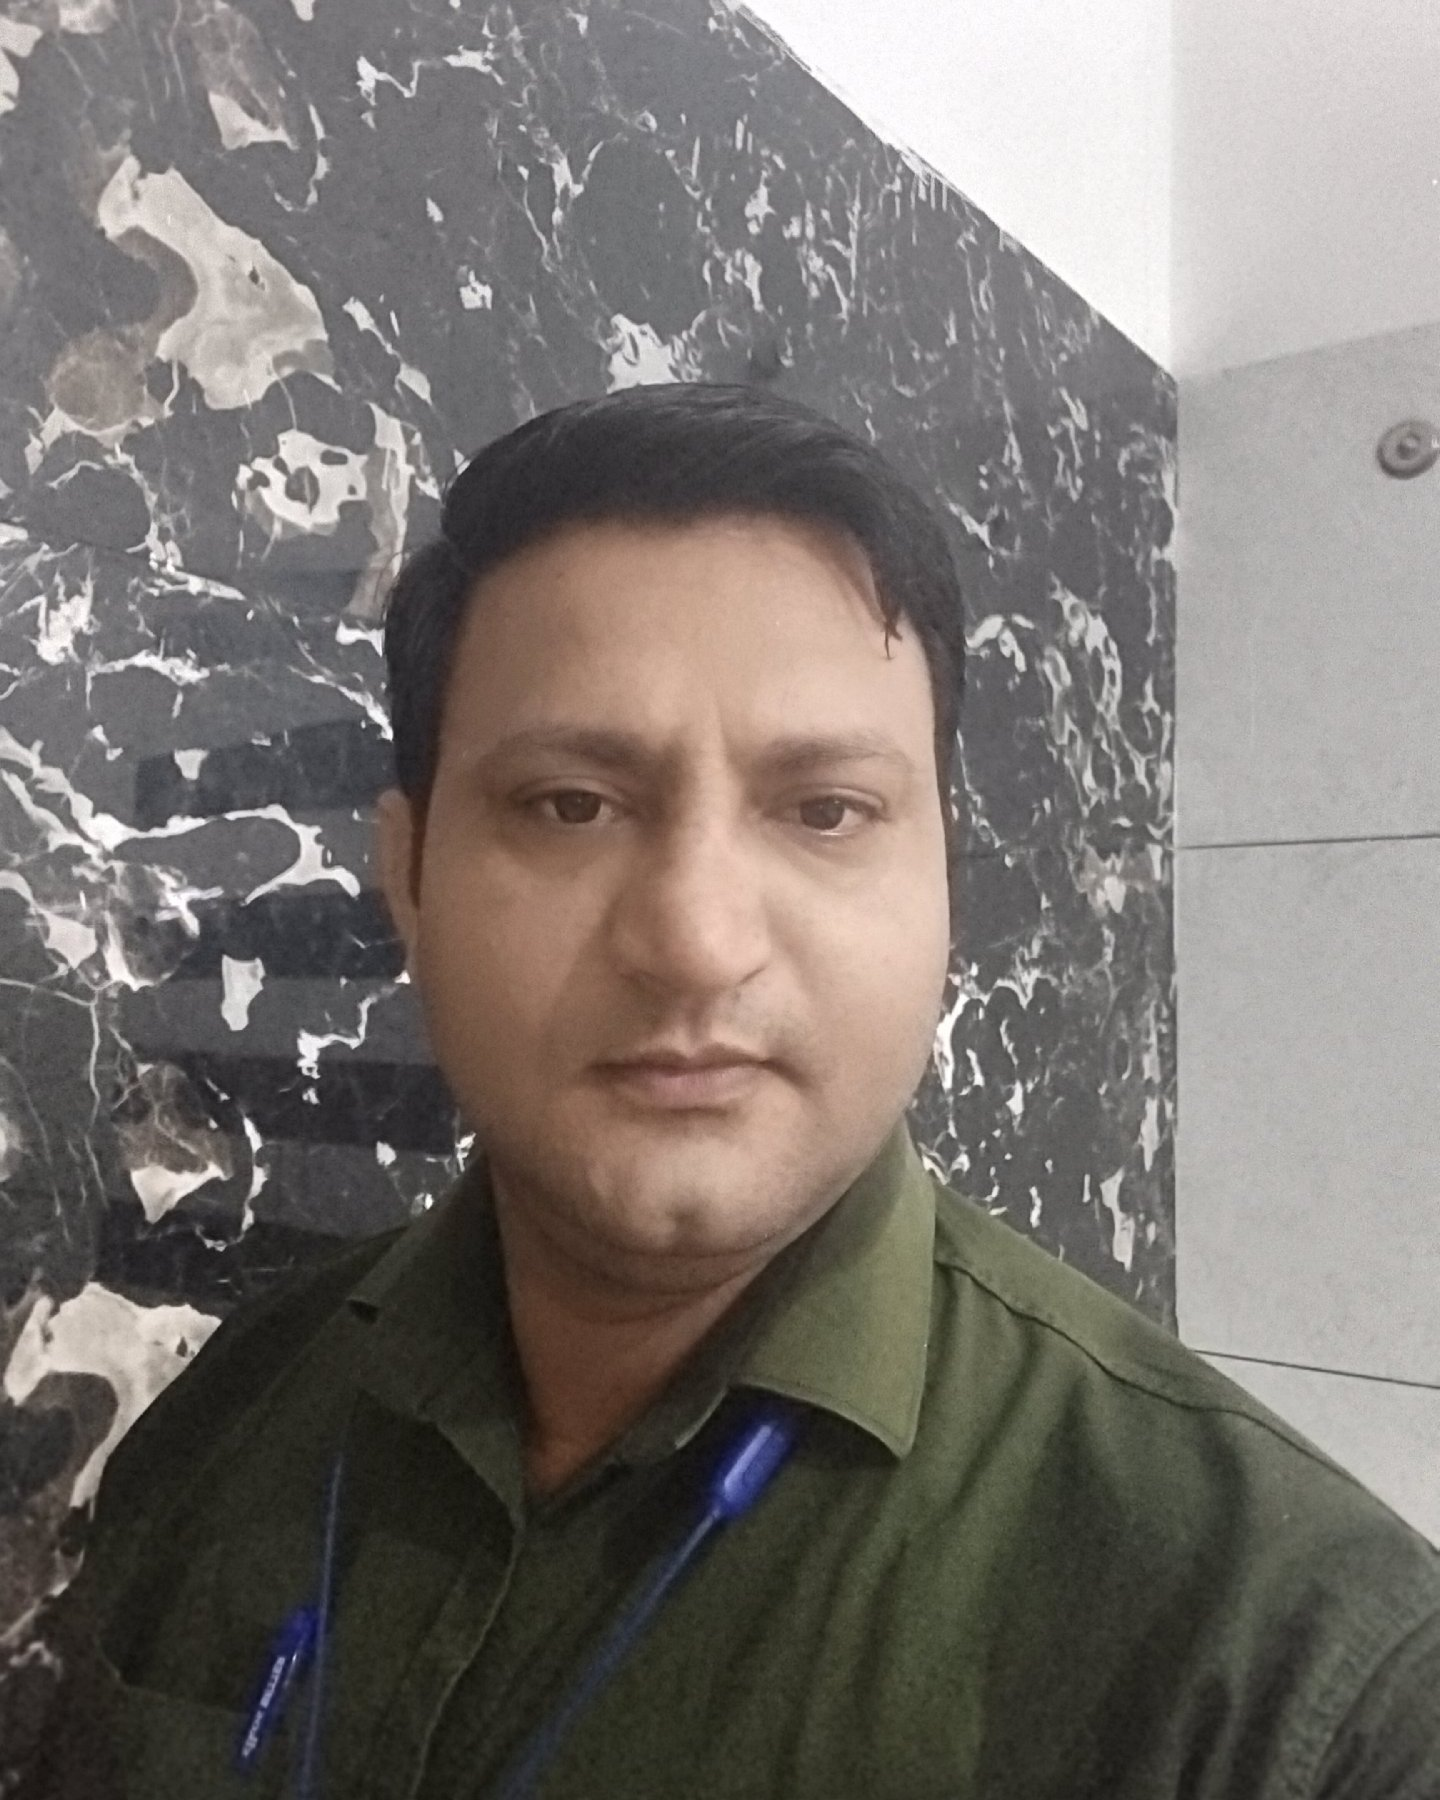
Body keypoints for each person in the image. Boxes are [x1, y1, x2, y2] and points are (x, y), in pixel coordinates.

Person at [26, 383, 1440, 1799]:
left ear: (944, 886)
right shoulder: (237, 1415)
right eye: (570, 804)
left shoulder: (1299, 1690)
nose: (697, 942)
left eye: (826, 810)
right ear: (407, 877)